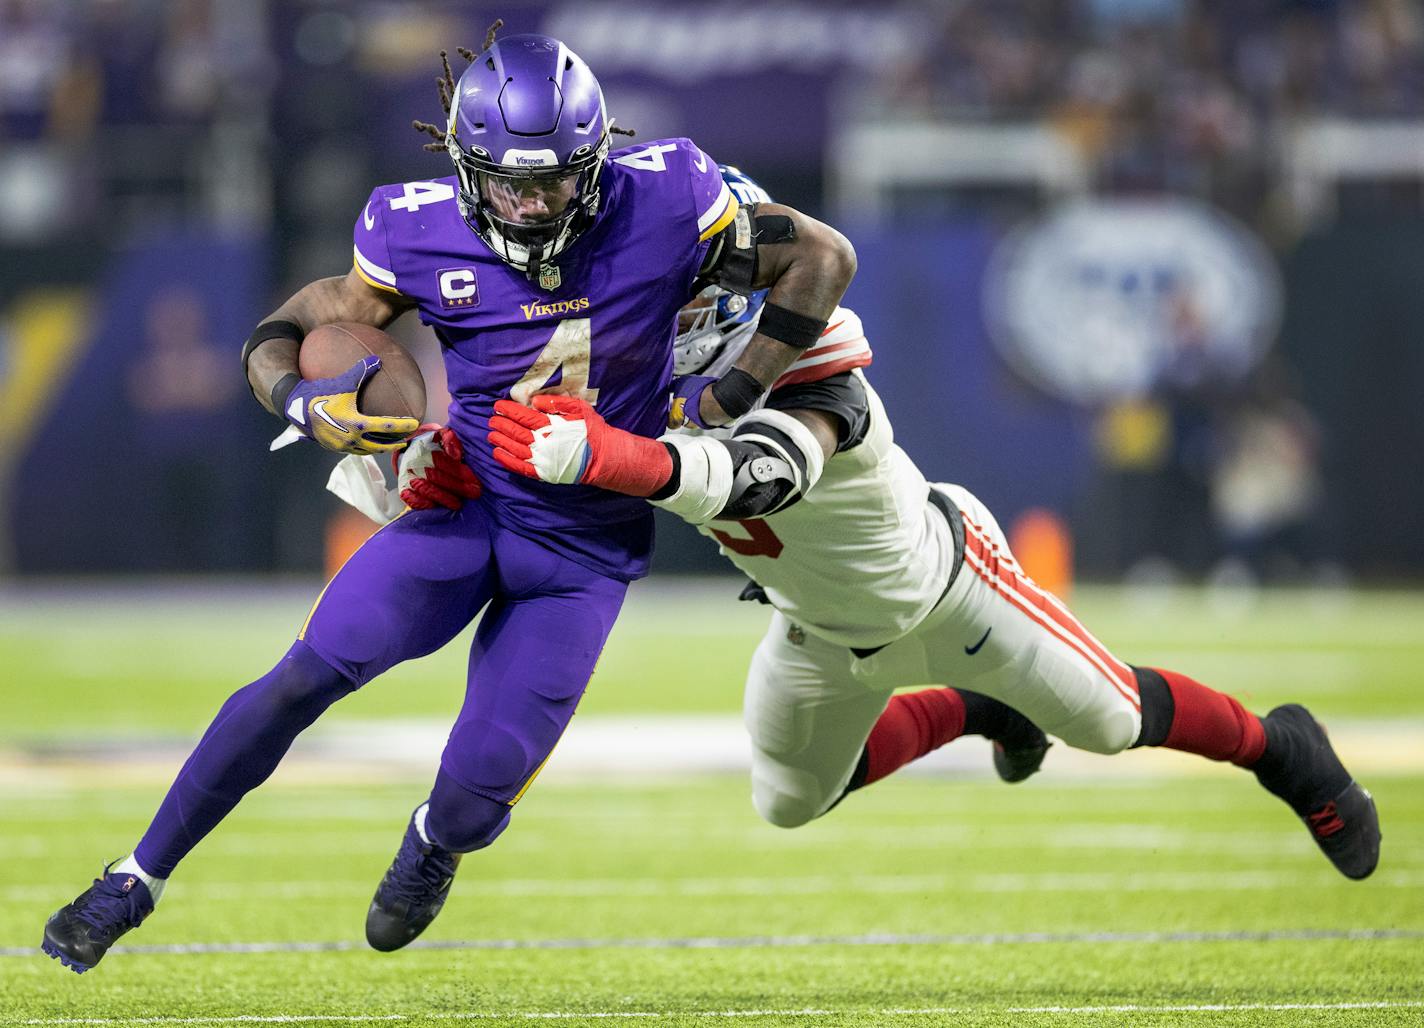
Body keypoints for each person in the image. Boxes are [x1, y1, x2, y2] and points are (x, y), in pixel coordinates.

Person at [41, 28, 857, 974]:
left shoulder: (671, 191)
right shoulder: (412, 224)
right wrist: (299, 401)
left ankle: (435, 838)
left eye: (551, 181)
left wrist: (728, 399)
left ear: (595, 161)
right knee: (302, 678)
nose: (528, 202)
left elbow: (823, 257)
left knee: (478, 799)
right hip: (465, 505)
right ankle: (134, 877)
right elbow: (296, 323)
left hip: (583, 553)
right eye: (508, 180)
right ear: (464, 162)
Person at [480, 166, 1380, 882]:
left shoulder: (818, 370)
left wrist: (604, 455)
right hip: (819, 627)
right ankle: (970, 711)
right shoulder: (641, 380)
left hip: (952, 587)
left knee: (1108, 725)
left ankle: (1285, 751)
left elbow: (747, 476)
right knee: (787, 801)